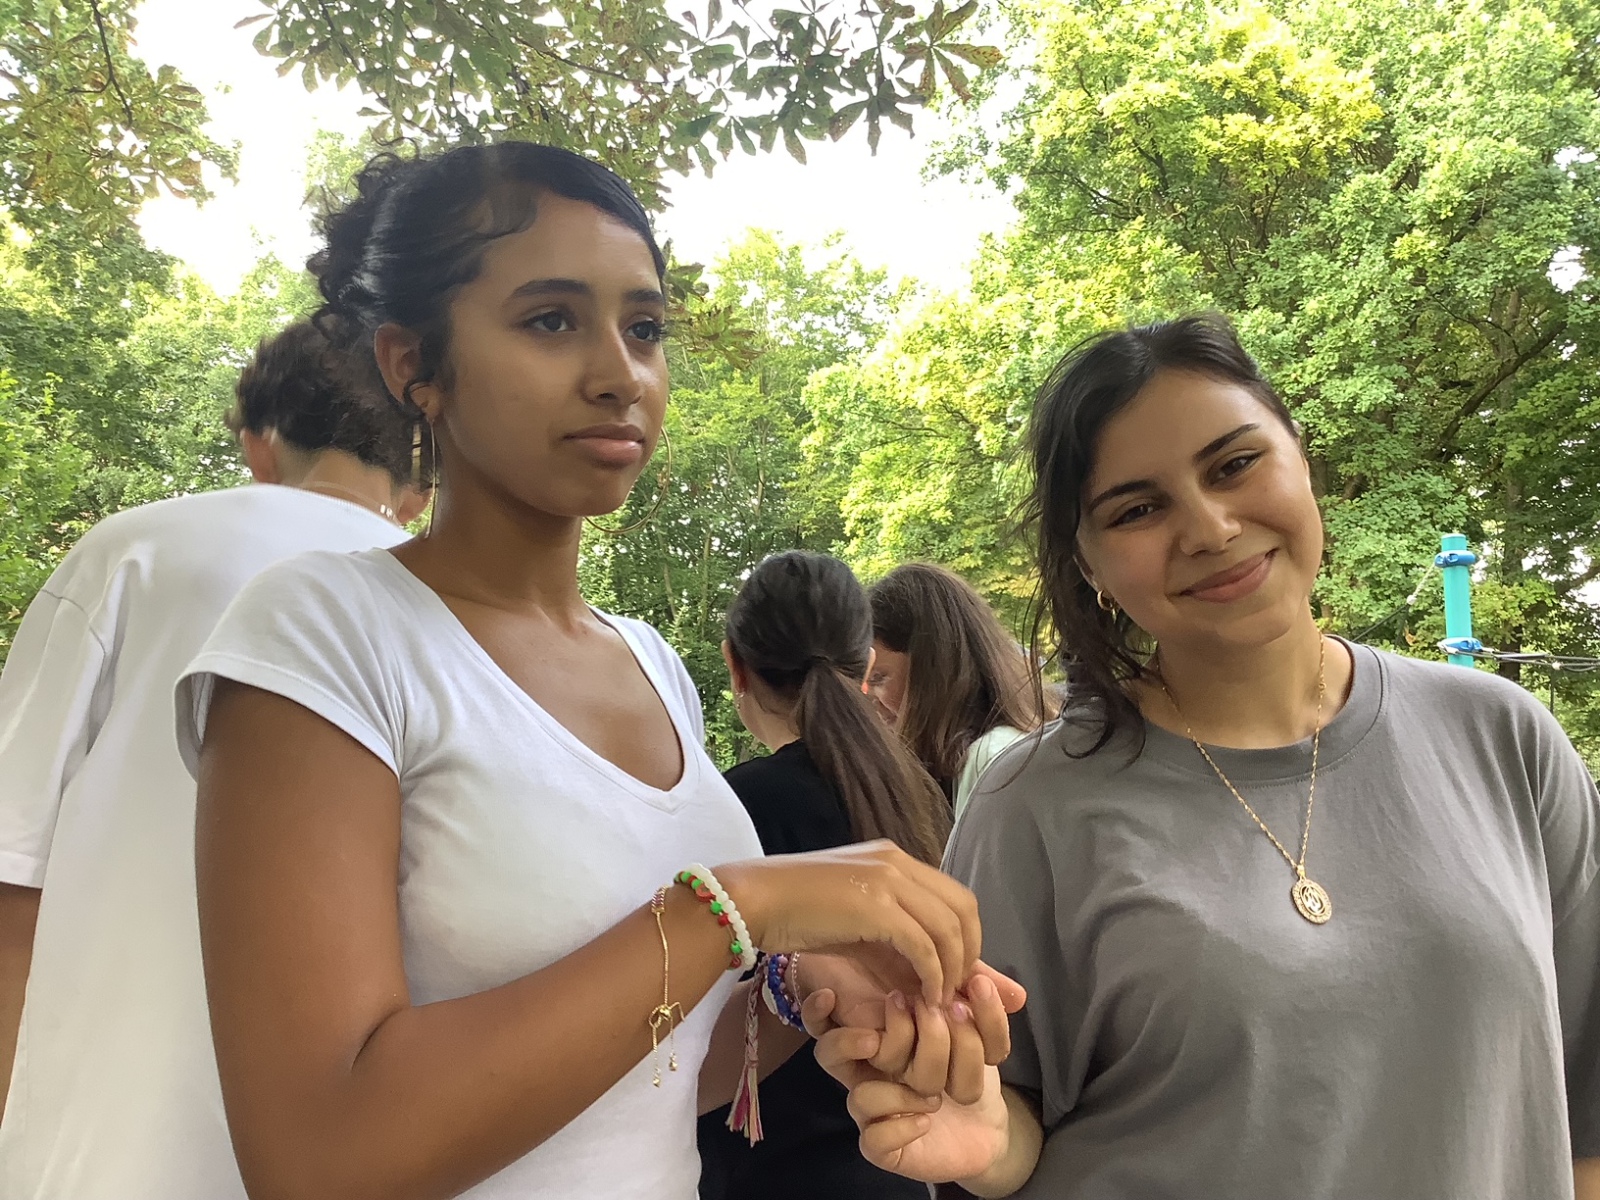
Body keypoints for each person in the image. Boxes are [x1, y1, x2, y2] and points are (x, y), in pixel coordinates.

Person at [174, 142, 1020, 1200]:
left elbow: (653, 1079)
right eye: (550, 320)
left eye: (645, 328)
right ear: (412, 364)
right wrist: (737, 907)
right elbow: (316, 1159)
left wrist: (805, 993)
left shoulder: (651, 664)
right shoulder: (324, 633)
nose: (621, 374)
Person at [818, 314, 1600, 1200]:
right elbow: (998, 1118)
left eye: (1234, 464)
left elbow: (1588, 1100)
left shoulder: (1503, 737)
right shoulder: (1031, 808)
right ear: (1088, 567)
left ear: (1301, 455)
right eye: (1138, 509)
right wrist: (988, 1142)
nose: (1210, 527)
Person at [0, 319, 430, 1199]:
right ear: (422, 487)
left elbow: (13, 874)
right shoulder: (456, 609)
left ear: (258, 446)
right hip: (370, 1159)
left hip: (101, 1155)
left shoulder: (131, 552)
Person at [699, 550, 952, 1200]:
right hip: (902, 1157)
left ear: (735, 664)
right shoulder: (917, 793)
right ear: (865, 664)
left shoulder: (730, 806)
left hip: (768, 1168)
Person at [867, 563, 1055, 818]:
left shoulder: (992, 759)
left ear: (930, 669)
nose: (870, 699)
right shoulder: (967, 762)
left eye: (878, 679)